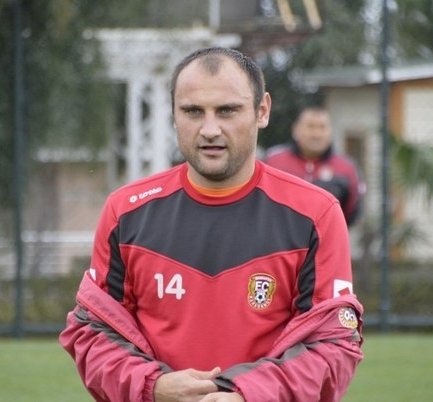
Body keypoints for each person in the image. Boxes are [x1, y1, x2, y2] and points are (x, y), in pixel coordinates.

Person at [60, 47, 363, 402]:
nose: (209, 129)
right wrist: (152, 386)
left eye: (227, 110)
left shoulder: (317, 214)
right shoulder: (125, 212)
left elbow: (333, 344)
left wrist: (248, 395)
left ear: (262, 111)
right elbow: (93, 333)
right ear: (174, 113)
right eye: (192, 111)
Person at [264, 107, 365, 226]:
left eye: (322, 127)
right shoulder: (273, 161)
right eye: (310, 126)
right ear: (295, 130)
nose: (316, 134)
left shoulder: (346, 168)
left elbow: (352, 210)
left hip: (327, 236)